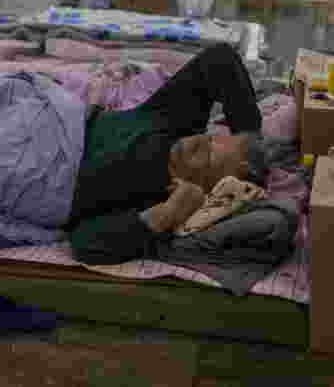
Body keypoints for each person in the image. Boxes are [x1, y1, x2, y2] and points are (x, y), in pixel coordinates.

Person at [66, 43, 267, 264]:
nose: (198, 140)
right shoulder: (175, 123)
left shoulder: (154, 198)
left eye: (207, 154)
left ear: (209, 191)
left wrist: (164, 214)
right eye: (211, 137)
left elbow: (85, 243)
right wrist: (249, 135)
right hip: (58, 115)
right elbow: (220, 58)